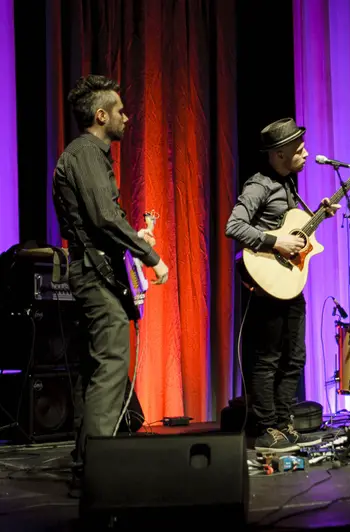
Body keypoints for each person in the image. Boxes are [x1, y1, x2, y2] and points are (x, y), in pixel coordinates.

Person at [52, 75, 170, 494]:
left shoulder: (88, 155)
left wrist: (132, 239)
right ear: (100, 115)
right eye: (119, 110)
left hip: (96, 272)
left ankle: (91, 463)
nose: (126, 115)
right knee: (110, 369)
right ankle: (99, 474)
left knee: (98, 371)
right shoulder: (85, 152)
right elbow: (103, 217)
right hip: (96, 278)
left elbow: (99, 222)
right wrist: (151, 256)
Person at [226, 118, 339, 453]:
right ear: (278, 154)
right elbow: (234, 226)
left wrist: (319, 216)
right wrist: (274, 242)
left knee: (295, 357)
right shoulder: (259, 185)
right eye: (298, 150)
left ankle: (283, 422)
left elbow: (294, 230)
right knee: (268, 357)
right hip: (266, 283)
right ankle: (264, 428)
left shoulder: (288, 184)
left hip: (290, 283)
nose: (306, 155)